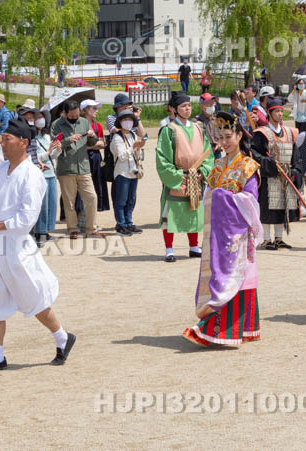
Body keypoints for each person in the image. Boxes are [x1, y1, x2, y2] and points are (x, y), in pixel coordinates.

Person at [0, 121, 75, 373]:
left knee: (33, 300)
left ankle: (62, 337)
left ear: (24, 142)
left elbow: (27, 219)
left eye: (8, 139)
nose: (2, 142)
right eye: (2, 139)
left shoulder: (32, 175)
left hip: (16, 247)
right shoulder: (1, 169)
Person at [182, 111, 263, 346]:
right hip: (218, 234)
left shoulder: (248, 166)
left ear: (239, 135)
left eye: (229, 136)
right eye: (221, 137)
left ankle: (221, 330)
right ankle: (245, 327)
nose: (224, 142)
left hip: (237, 234)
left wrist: (221, 196)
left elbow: (251, 201)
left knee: (232, 277)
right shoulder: (218, 166)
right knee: (219, 276)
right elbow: (208, 196)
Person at [155, 92, 214, 262]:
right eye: (183, 106)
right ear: (174, 109)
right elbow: (163, 158)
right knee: (171, 213)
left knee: (194, 210)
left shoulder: (198, 128)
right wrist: (176, 175)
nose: (187, 109)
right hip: (178, 176)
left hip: (196, 176)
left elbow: (207, 153)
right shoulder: (169, 130)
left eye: (189, 105)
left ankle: (194, 246)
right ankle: (169, 249)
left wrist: (204, 170)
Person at [250, 96, 300, 250]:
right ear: (269, 113)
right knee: (267, 207)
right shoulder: (261, 133)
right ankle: (266, 239)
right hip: (269, 175)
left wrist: (295, 170)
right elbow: (255, 154)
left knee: (282, 206)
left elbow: (295, 154)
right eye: (276, 111)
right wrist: (270, 163)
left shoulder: (289, 132)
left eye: (281, 111)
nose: (279, 114)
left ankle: (279, 238)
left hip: (286, 175)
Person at [52, 98, 102, 239]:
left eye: (77, 115)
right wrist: (68, 140)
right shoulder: (57, 125)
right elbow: (54, 144)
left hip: (84, 167)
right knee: (69, 201)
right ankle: (72, 228)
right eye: (72, 116)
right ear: (65, 114)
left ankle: (91, 229)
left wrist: (92, 136)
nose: (75, 118)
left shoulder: (85, 122)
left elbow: (92, 142)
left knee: (92, 197)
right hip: (66, 168)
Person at [110, 109, 145, 236]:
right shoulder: (117, 137)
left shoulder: (133, 134)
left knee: (131, 199)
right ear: (119, 122)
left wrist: (138, 149)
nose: (128, 122)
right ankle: (121, 224)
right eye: (125, 120)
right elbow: (121, 155)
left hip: (133, 171)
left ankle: (129, 222)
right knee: (121, 200)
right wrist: (133, 148)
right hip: (122, 172)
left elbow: (137, 153)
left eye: (130, 119)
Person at [33, 110, 59, 246]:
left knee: (51, 204)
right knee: (42, 205)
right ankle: (40, 232)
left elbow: (52, 156)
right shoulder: (32, 138)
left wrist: (56, 150)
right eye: (37, 118)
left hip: (51, 173)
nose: (40, 121)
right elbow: (35, 157)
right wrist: (48, 153)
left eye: (42, 118)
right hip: (40, 173)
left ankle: (47, 230)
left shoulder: (47, 136)